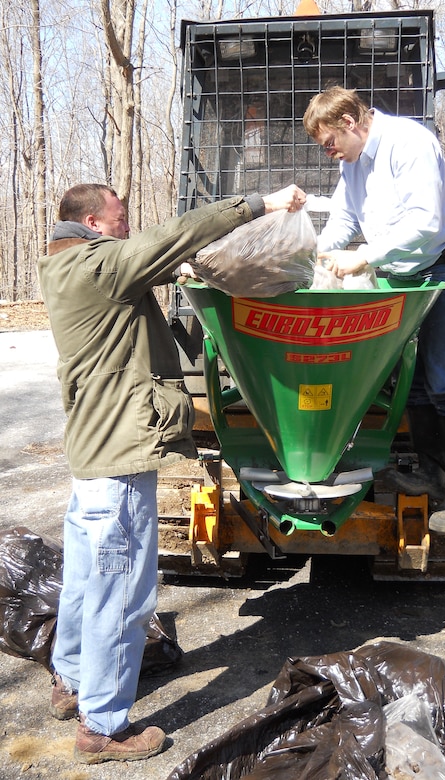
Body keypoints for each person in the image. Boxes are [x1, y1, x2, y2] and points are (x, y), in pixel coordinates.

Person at [38, 181, 306, 764]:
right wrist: (259, 205)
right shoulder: (97, 266)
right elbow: (174, 236)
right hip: (120, 459)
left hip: (92, 455)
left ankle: (71, 681)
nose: (128, 224)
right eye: (121, 216)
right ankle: (103, 728)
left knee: (85, 582)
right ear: (93, 222)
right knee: (123, 594)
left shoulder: (65, 269)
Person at [303, 86, 445, 535]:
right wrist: (312, 257)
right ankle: (431, 474)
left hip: (442, 271)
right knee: (415, 382)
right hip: (402, 278)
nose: (329, 154)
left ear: (348, 123)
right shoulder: (355, 163)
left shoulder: (409, 142)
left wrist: (365, 258)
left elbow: (425, 222)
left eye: (329, 144)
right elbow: (344, 220)